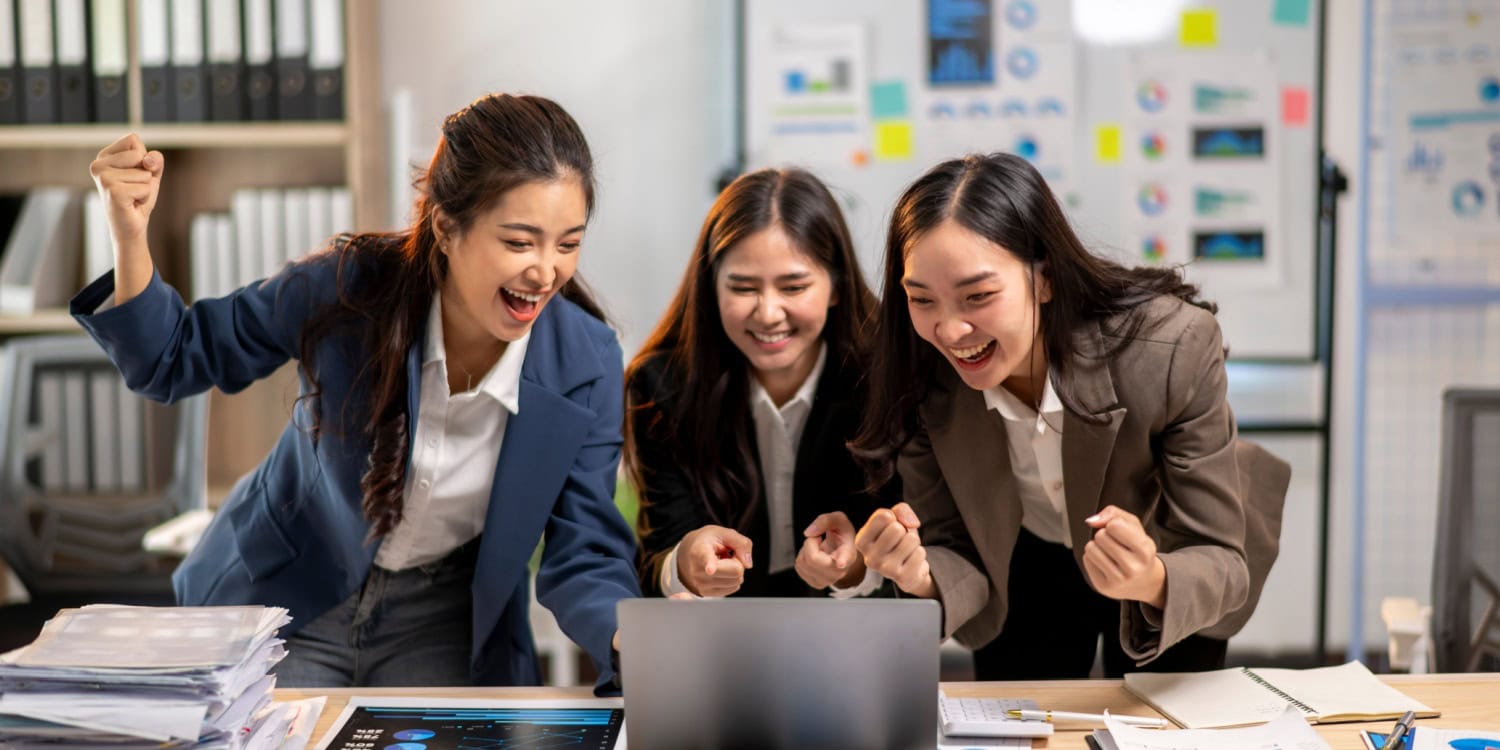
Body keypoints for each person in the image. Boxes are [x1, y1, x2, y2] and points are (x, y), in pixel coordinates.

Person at [75, 93, 640, 691]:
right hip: (286, 595)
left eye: (568, 244)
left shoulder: (587, 362)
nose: (546, 271)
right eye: (520, 242)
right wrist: (129, 234)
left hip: (444, 622)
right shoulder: (346, 290)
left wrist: (624, 635)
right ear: (447, 226)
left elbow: (586, 550)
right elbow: (174, 359)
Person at [850, 152, 1289, 679]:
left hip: (1161, 544)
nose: (949, 331)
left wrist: (1150, 577)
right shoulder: (919, 370)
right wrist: (918, 573)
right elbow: (951, 543)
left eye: (978, 296)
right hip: (1024, 554)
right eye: (922, 300)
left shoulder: (1170, 347)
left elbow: (1218, 555)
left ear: (1045, 278)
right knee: (1023, 725)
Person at [626, 167, 895, 599]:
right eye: (744, 287)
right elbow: (655, 557)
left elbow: (920, 557)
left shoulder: (885, 378)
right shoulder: (665, 386)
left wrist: (855, 569)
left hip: (857, 642)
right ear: (712, 288)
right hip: (720, 644)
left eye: (793, 286)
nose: (768, 313)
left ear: (836, 288)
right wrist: (684, 562)